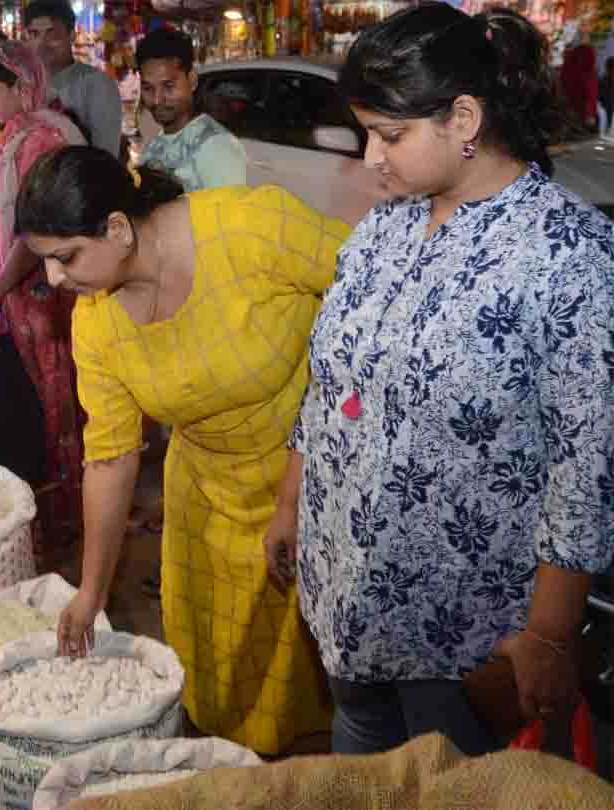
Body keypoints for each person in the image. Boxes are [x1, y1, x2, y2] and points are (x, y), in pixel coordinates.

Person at [264, 4, 614, 757]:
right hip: (346, 594)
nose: (369, 158)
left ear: (464, 118)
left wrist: (549, 637)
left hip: (465, 635)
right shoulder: (383, 229)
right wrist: (292, 501)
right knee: (361, 765)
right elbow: (329, 381)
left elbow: (584, 469)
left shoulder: (569, 256)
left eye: (390, 136)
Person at [38, 146, 349, 755]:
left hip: (316, 481)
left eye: (64, 257)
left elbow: (372, 298)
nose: (53, 279)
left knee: (325, 685)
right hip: (207, 501)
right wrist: (91, 590)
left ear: (119, 229)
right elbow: (110, 456)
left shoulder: (250, 226)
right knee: (220, 677)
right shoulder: (95, 322)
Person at [0, 41, 86, 564]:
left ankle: (80, 515)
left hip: (45, 297)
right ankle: (63, 507)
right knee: (43, 403)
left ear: (24, 87)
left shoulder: (44, 139)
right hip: (19, 296)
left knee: (61, 403)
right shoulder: (11, 138)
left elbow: (30, 234)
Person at [136, 28, 246, 192]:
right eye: (148, 88)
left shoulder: (216, 146)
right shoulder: (154, 147)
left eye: (168, 86)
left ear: (192, 80)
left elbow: (230, 215)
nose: (157, 99)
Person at [24, 1, 122, 158]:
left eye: (52, 35)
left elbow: (106, 158)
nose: (41, 44)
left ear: (71, 35)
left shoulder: (97, 85)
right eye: (34, 34)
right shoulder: (24, 87)